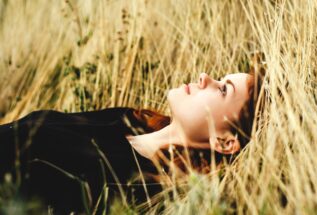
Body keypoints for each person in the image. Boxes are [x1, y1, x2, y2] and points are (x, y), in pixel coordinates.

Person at [0, 61, 265, 213]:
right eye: (220, 78)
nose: (205, 77)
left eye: (222, 90)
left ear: (225, 141)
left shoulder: (136, 187)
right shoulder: (127, 119)